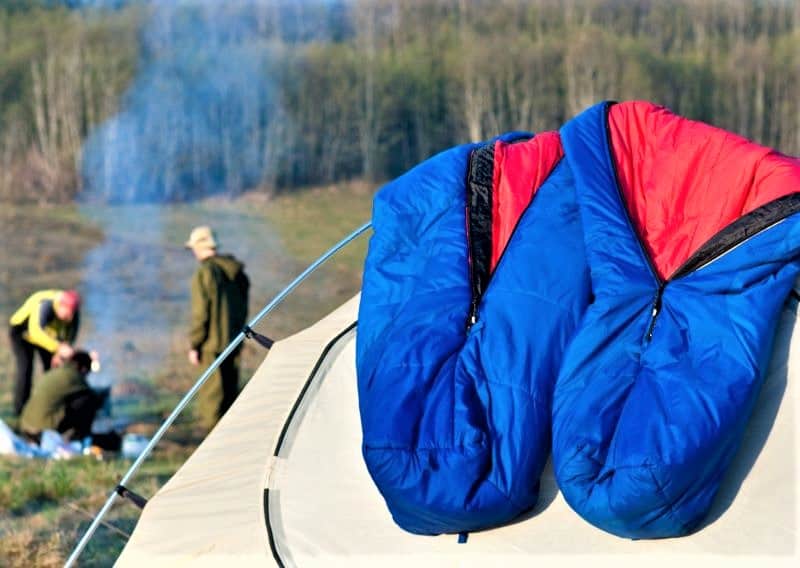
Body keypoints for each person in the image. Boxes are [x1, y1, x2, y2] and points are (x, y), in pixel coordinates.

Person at [185, 225, 249, 429]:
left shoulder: (205, 273)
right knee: (230, 403)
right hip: (233, 343)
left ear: (199, 248)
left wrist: (195, 344)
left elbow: (201, 314)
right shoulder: (235, 272)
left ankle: (217, 457)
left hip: (211, 348)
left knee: (212, 406)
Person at [8, 289, 81, 416]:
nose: (68, 319)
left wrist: (59, 354)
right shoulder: (46, 305)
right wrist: (58, 348)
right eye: (67, 315)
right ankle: (20, 412)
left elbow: (69, 338)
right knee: (25, 369)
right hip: (22, 333)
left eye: (72, 315)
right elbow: (35, 331)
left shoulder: (73, 313)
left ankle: (51, 407)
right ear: (61, 306)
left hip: (47, 336)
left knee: (52, 370)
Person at [18, 350, 102, 443]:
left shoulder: (57, 372)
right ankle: (80, 439)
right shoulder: (73, 375)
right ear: (84, 369)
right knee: (88, 401)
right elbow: (92, 395)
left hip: (26, 425)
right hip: (41, 429)